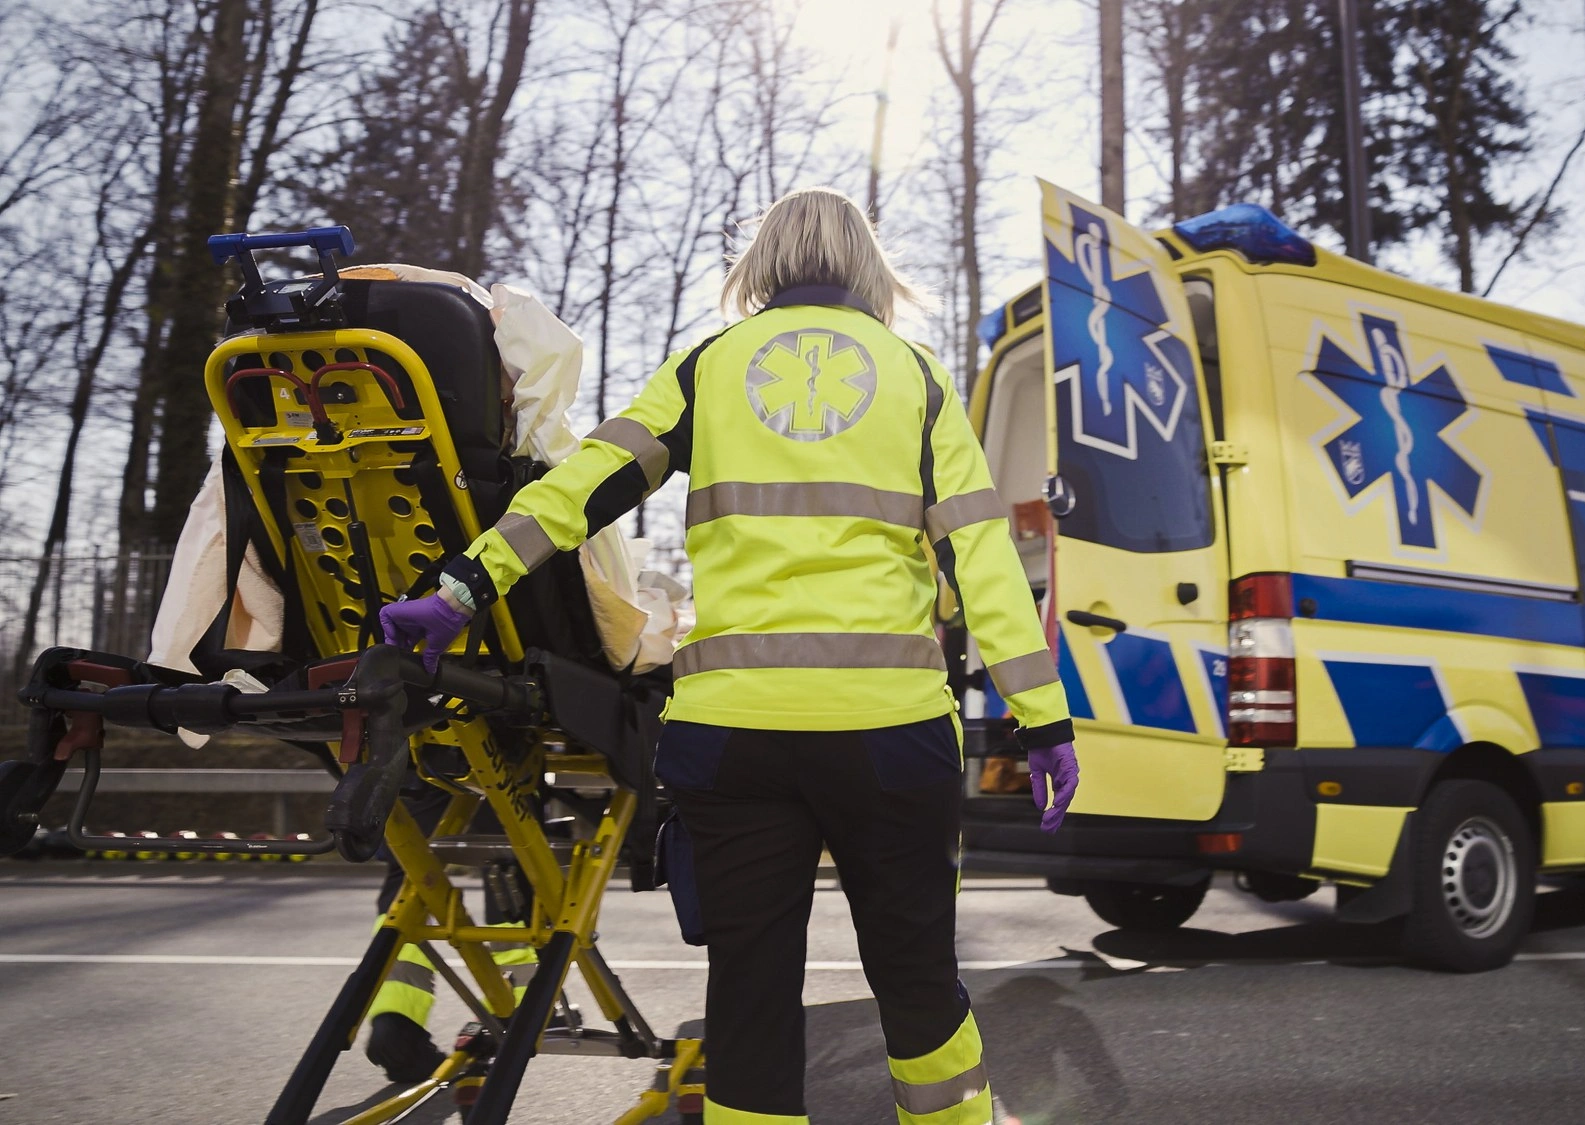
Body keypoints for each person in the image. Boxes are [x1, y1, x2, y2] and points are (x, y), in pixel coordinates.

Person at [380, 185, 1080, 1125]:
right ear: (867, 267)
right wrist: (1043, 721)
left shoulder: (706, 369)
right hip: (889, 732)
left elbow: (579, 488)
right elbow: (983, 557)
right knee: (916, 974)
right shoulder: (916, 378)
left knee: (750, 992)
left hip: (734, 735)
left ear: (765, 264)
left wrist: (462, 586)